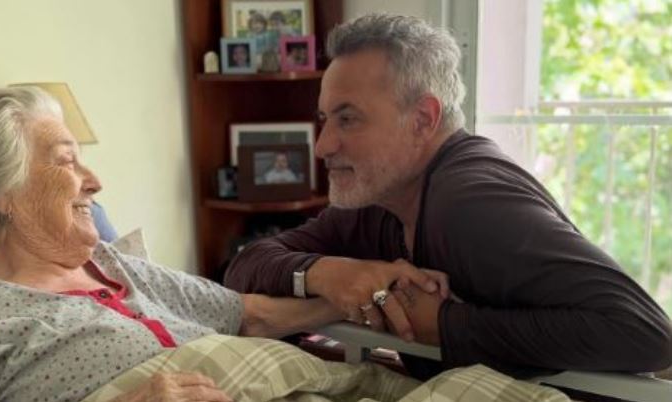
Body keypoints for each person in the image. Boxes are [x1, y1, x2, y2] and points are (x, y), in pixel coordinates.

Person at [224, 13, 672, 379]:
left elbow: (647, 334)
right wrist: (326, 275)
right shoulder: (381, 197)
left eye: (348, 119)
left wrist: (440, 323)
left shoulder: (472, 204)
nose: (322, 146)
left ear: (423, 119)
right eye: (325, 119)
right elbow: (245, 268)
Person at [0, 86, 345, 402]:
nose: (94, 182)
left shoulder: (112, 263)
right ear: (4, 193)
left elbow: (246, 315)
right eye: (67, 162)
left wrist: (355, 300)